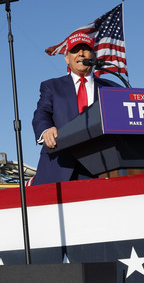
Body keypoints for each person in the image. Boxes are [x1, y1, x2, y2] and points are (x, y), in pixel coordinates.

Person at [31, 32, 121, 185]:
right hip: (60, 166)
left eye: (85, 49)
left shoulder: (112, 88)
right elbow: (42, 112)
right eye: (75, 50)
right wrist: (46, 130)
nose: (80, 53)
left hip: (102, 168)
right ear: (67, 58)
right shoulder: (51, 86)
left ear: (93, 55)